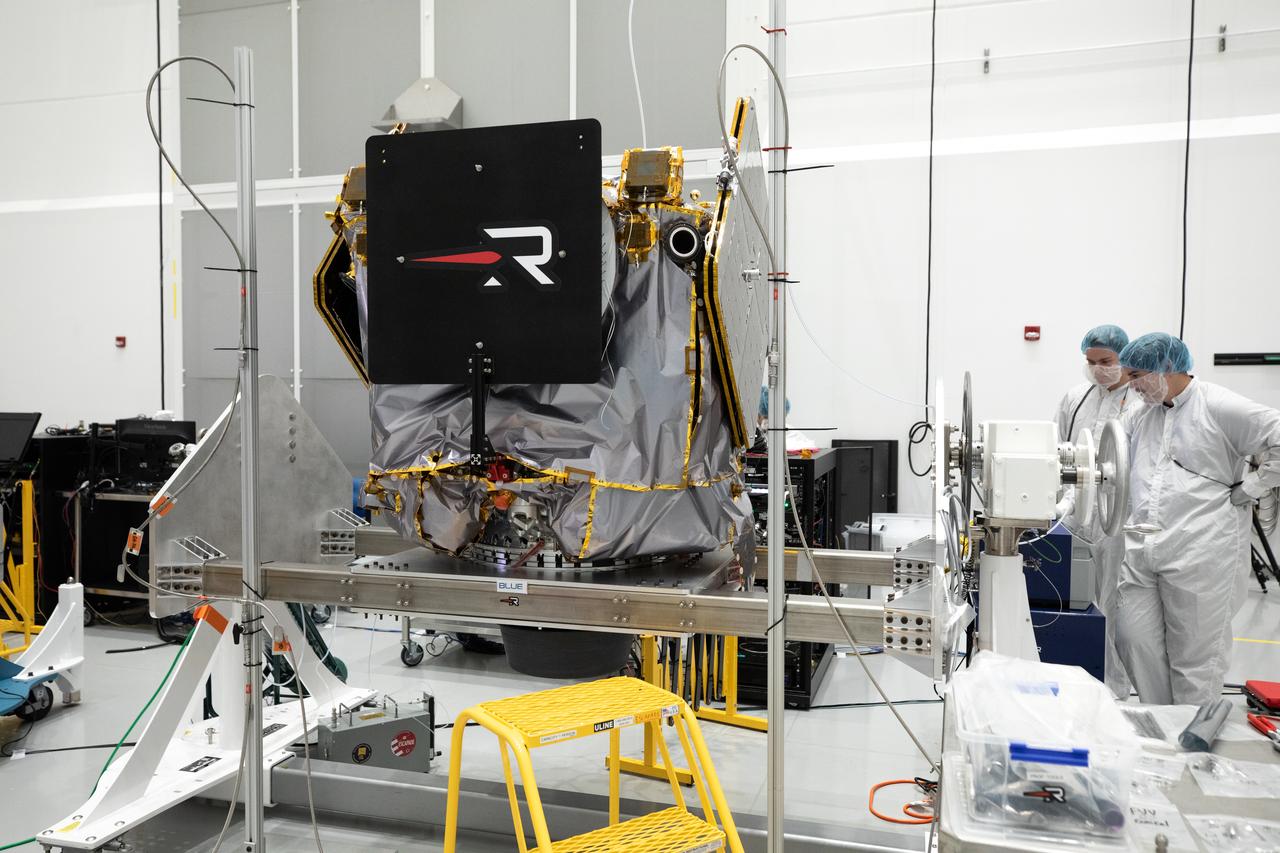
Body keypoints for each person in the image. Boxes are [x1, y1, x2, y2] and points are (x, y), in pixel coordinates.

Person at [1115, 333, 1280, 705]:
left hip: (1202, 552)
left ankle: (1193, 746)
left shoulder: (1220, 406)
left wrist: (1252, 486)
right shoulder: (1143, 414)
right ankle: (1162, 724)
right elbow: (1107, 454)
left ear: (1167, 368)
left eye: (1138, 375)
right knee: (1134, 637)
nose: (1133, 385)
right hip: (1144, 548)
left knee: (1196, 660)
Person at [1054, 324, 1140, 700]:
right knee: (1073, 600)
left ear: (1124, 357)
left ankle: (1115, 690)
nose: (1098, 368)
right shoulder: (1077, 396)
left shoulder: (1139, 400)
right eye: (1091, 362)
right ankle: (1077, 678)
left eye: (1106, 361)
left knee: (1115, 606)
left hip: (1117, 519)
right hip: (1077, 512)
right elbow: (1060, 449)